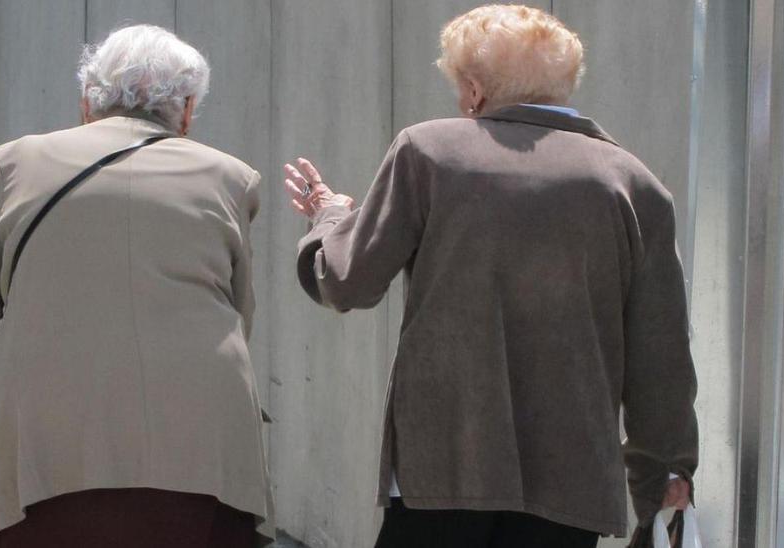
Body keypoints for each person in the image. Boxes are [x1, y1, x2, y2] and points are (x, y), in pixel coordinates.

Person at [283, 5, 698, 547]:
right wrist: (664, 471)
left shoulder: (429, 152)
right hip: (571, 478)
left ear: (475, 90)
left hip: (445, 467)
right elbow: (660, 348)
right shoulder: (633, 184)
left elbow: (346, 281)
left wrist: (329, 216)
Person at [0, 25, 272, 547]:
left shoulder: (18, 163)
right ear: (186, 108)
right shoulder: (230, 177)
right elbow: (238, 313)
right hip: (201, 448)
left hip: (49, 444)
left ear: (88, 99)